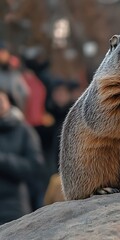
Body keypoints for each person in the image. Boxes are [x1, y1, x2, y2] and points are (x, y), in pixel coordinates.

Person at [0, 90, 44, 224]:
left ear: (9, 102)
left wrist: (2, 160)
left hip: (13, 208)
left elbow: (34, 167)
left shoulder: (24, 130)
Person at [0, 41, 29, 112]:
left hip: (13, 107)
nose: (1, 55)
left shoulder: (14, 72)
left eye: (3, 53)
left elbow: (25, 92)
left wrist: (19, 106)